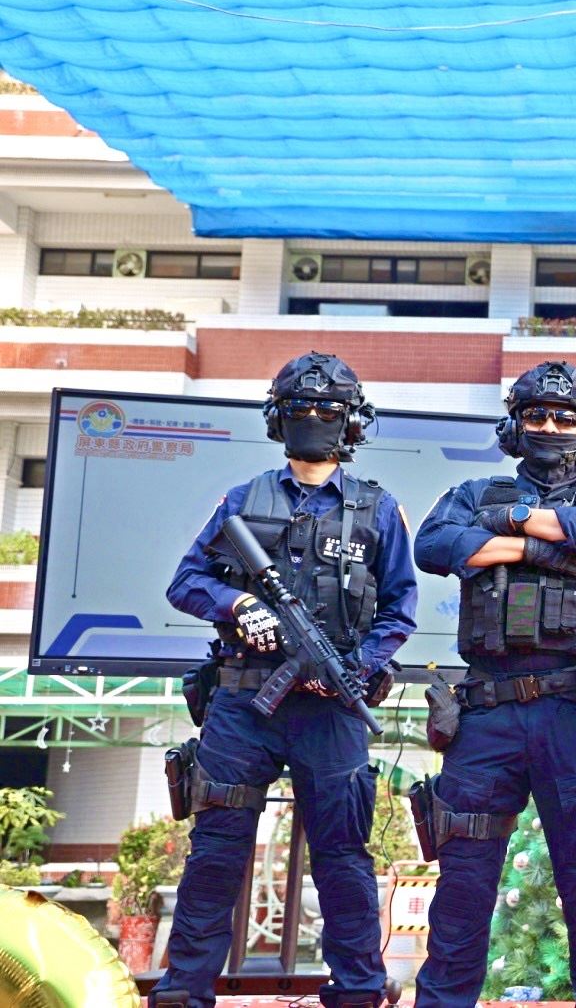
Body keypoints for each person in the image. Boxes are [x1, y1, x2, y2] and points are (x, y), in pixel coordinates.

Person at [152, 352, 417, 1008]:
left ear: (351, 422)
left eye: (328, 409)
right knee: (216, 850)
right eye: (301, 407)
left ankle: (357, 987)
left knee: (343, 854)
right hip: (244, 700)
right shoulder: (245, 499)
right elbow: (186, 582)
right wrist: (238, 604)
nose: (314, 418)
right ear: (279, 417)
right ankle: (184, 990)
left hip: (331, 710)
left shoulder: (378, 509)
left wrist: (356, 667)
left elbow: (399, 611)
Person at [411, 360, 576, 1008]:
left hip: (574, 713)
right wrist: (542, 539)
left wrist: (503, 528)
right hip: (485, 716)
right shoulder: (470, 493)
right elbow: (433, 545)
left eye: (566, 418)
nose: (550, 427)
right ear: (514, 425)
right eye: (536, 415)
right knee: (461, 889)